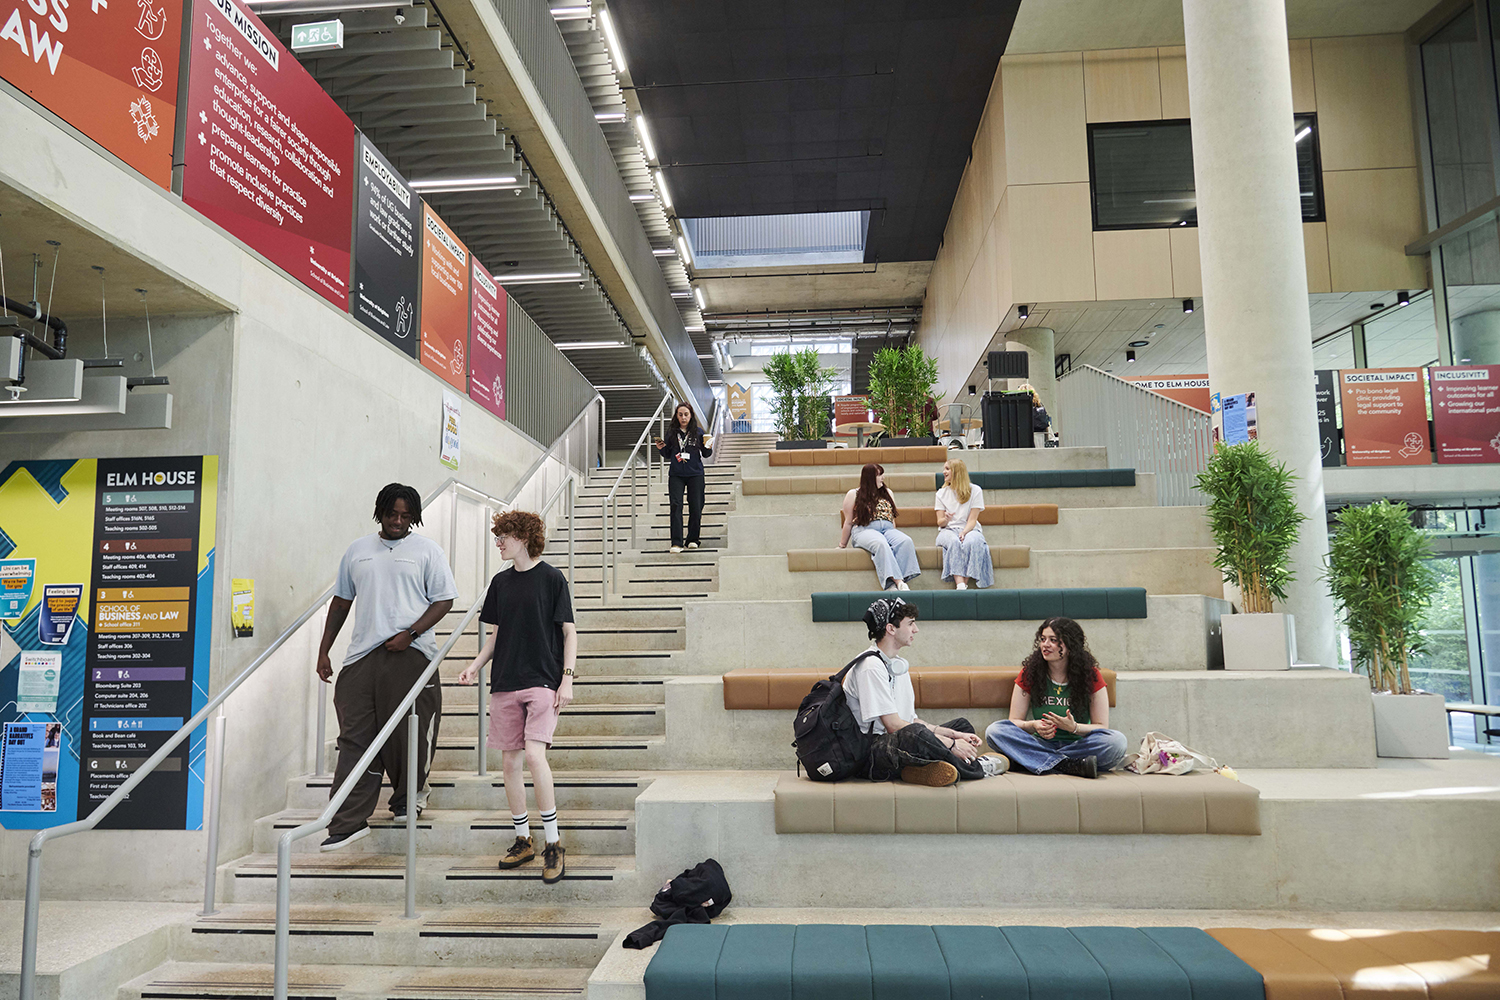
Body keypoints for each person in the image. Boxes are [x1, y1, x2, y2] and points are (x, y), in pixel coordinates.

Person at [316, 484, 458, 850]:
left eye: (406, 516)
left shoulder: (427, 550)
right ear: (379, 512)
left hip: (412, 654)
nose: (398, 521)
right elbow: (341, 602)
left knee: (408, 732)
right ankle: (347, 821)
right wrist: (324, 651)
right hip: (362, 655)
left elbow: (444, 599)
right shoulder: (357, 550)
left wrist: (411, 633)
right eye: (392, 514)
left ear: (414, 518)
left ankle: (408, 798)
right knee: (354, 737)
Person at [457, 509, 577, 884]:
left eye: (502, 536)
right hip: (505, 682)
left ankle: (553, 842)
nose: (498, 543)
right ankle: (523, 839)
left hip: (542, 681)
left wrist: (567, 679)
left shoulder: (552, 579)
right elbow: (496, 634)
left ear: (522, 537)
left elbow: (569, 632)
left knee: (534, 755)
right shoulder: (499, 583)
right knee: (510, 763)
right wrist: (476, 665)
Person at [844, 598, 1008, 785]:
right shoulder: (870, 666)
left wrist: (954, 736)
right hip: (871, 755)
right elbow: (894, 726)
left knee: (961, 727)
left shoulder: (897, 665)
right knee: (917, 734)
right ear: (891, 629)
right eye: (910, 623)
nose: (916, 629)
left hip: (898, 744)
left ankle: (917, 770)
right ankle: (977, 768)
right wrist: (951, 745)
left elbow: (912, 720)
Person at [984, 617, 1129, 778]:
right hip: (1040, 743)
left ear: (1070, 645)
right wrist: (1033, 725)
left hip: (1078, 745)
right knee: (995, 731)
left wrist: (1074, 727)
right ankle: (1068, 765)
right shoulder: (1030, 673)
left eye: (1053, 640)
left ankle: (1034, 761)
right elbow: (1014, 721)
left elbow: (1101, 726)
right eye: (1043, 639)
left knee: (1117, 741)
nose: (1045, 645)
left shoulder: (1091, 676)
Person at [839, 464, 920, 591]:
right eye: (879, 475)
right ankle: (897, 582)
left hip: (888, 529)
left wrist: (894, 533)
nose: (883, 478)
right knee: (881, 543)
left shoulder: (888, 493)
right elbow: (848, 521)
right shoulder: (854, 494)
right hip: (865, 529)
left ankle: (899, 580)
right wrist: (842, 545)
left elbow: (892, 518)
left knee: (906, 541)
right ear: (870, 477)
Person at [653, 402, 713, 554]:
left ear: (691, 415)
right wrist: (661, 449)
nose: (683, 417)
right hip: (676, 474)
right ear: (676, 416)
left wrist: (709, 447)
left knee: (696, 506)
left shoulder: (698, 432)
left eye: (686, 414)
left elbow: (706, 455)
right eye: (680, 415)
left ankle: (693, 539)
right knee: (675, 506)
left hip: (695, 474)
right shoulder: (672, 433)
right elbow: (667, 454)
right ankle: (677, 542)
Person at [935, 457, 992, 590]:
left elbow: (972, 520)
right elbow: (940, 522)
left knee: (971, 542)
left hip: (970, 529)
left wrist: (964, 532)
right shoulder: (941, 493)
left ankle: (963, 584)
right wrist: (947, 519)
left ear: (957, 472)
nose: (944, 472)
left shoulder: (976, 490)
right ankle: (960, 584)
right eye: (944, 469)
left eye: (947, 469)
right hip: (947, 530)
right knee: (954, 542)